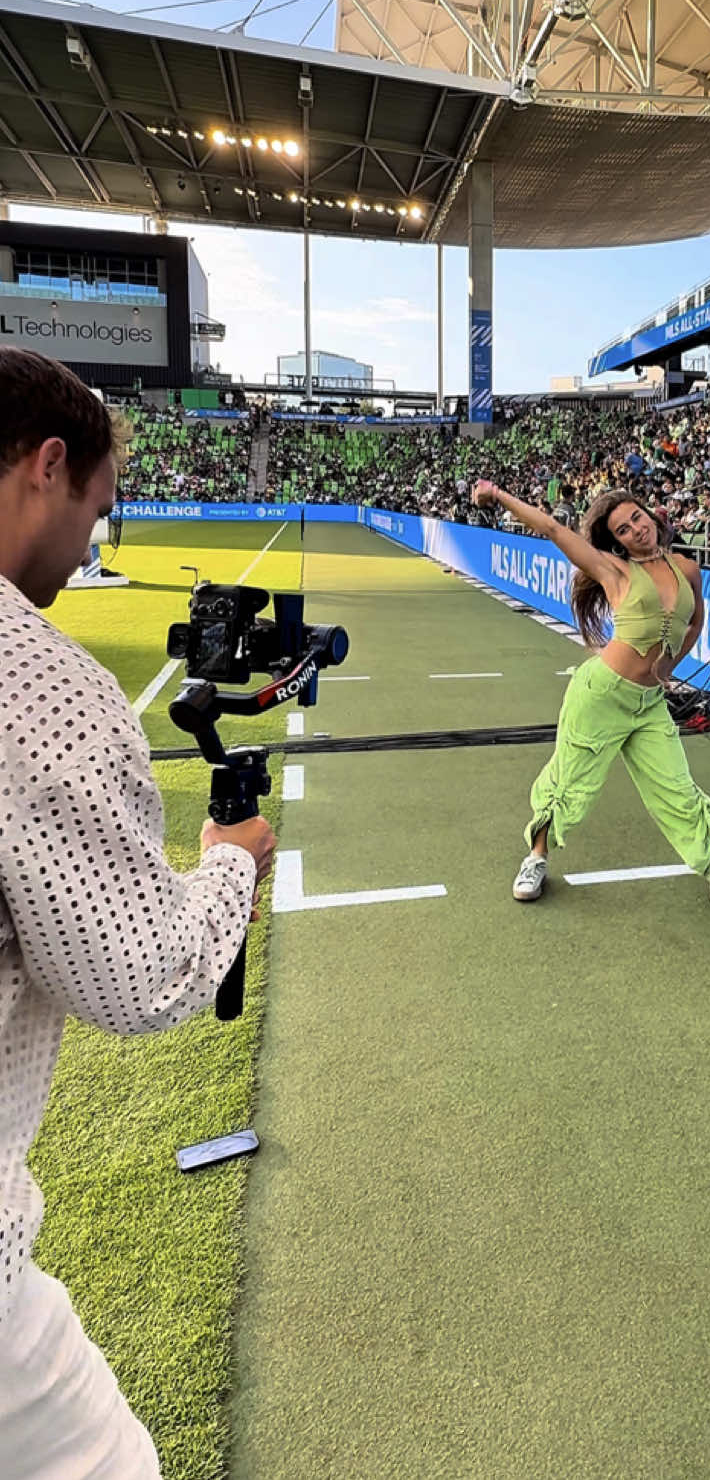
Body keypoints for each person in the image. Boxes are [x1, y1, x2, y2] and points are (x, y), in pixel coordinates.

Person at [0, 349, 276, 1480]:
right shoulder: (39, 679)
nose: (88, 547)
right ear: (48, 466)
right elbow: (145, 978)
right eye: (97, 512)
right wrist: (229, 864)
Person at [470, 479, 710, 923]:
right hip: (600, 696)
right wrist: (499, 495)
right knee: (569, 783)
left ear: (650, 515)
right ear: (614, 541)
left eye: (637, 517)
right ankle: (536, 857)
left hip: (650, 704)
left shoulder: (686, 569)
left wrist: (667, 671)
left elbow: (694, 624)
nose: (637, 529)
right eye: (623, 529)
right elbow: (555, 531)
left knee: (678, 790)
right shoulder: (614, 572)